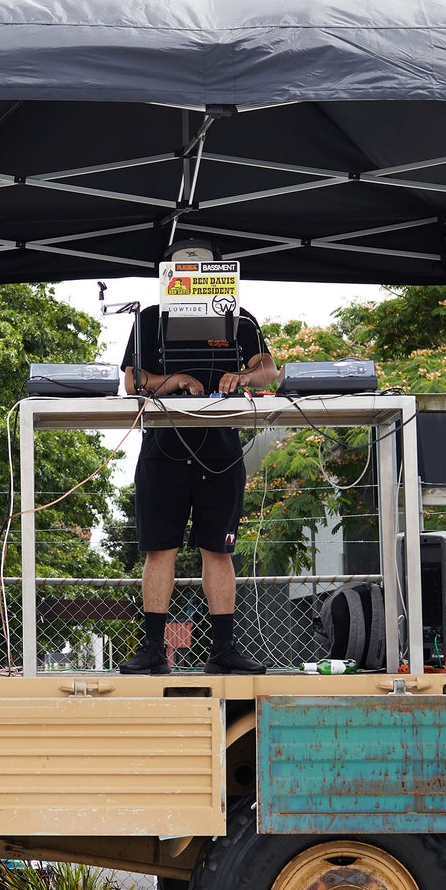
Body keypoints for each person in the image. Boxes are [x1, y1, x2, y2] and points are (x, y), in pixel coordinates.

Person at [118, 243, 279, 675]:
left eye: (201, 267)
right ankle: (154, 650)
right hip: (163, 447)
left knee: (218, 551)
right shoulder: (149, 318)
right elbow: (132, 379)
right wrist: (173, 381)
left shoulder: (239, 318)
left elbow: (269, 370)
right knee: (159, 550)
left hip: (220, 449)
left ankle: (223, 651)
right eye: (183, 268)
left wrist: (244, 376)